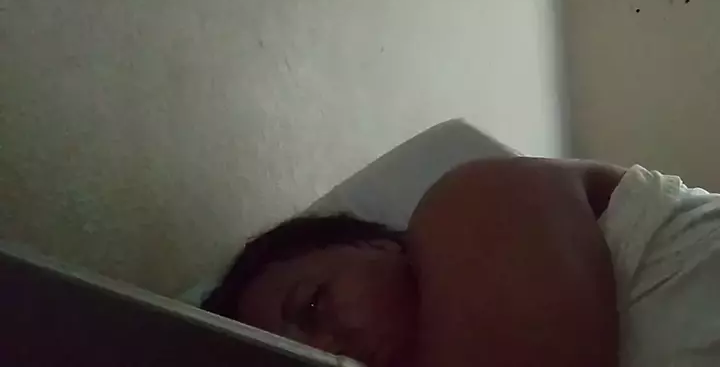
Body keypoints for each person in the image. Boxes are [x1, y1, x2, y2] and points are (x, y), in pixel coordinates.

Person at [202, 158, 720, 367]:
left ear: (377, 245)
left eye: (314, 306)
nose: (325, 352)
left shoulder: (467, 205)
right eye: (298, 359)